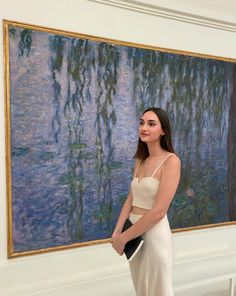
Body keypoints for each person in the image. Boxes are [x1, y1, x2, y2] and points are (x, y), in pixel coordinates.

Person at [111, 107, 181, 296]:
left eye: (151, 124)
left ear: (163, 130)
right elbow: (131, 198)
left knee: (158, 291)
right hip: (134, 235)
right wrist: (117, 232)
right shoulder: (140, 160)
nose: (144, 128)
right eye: (142, 123)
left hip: (154, 236)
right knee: (142, 290)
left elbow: (159, 211)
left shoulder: (171, 161)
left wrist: (124, 238)